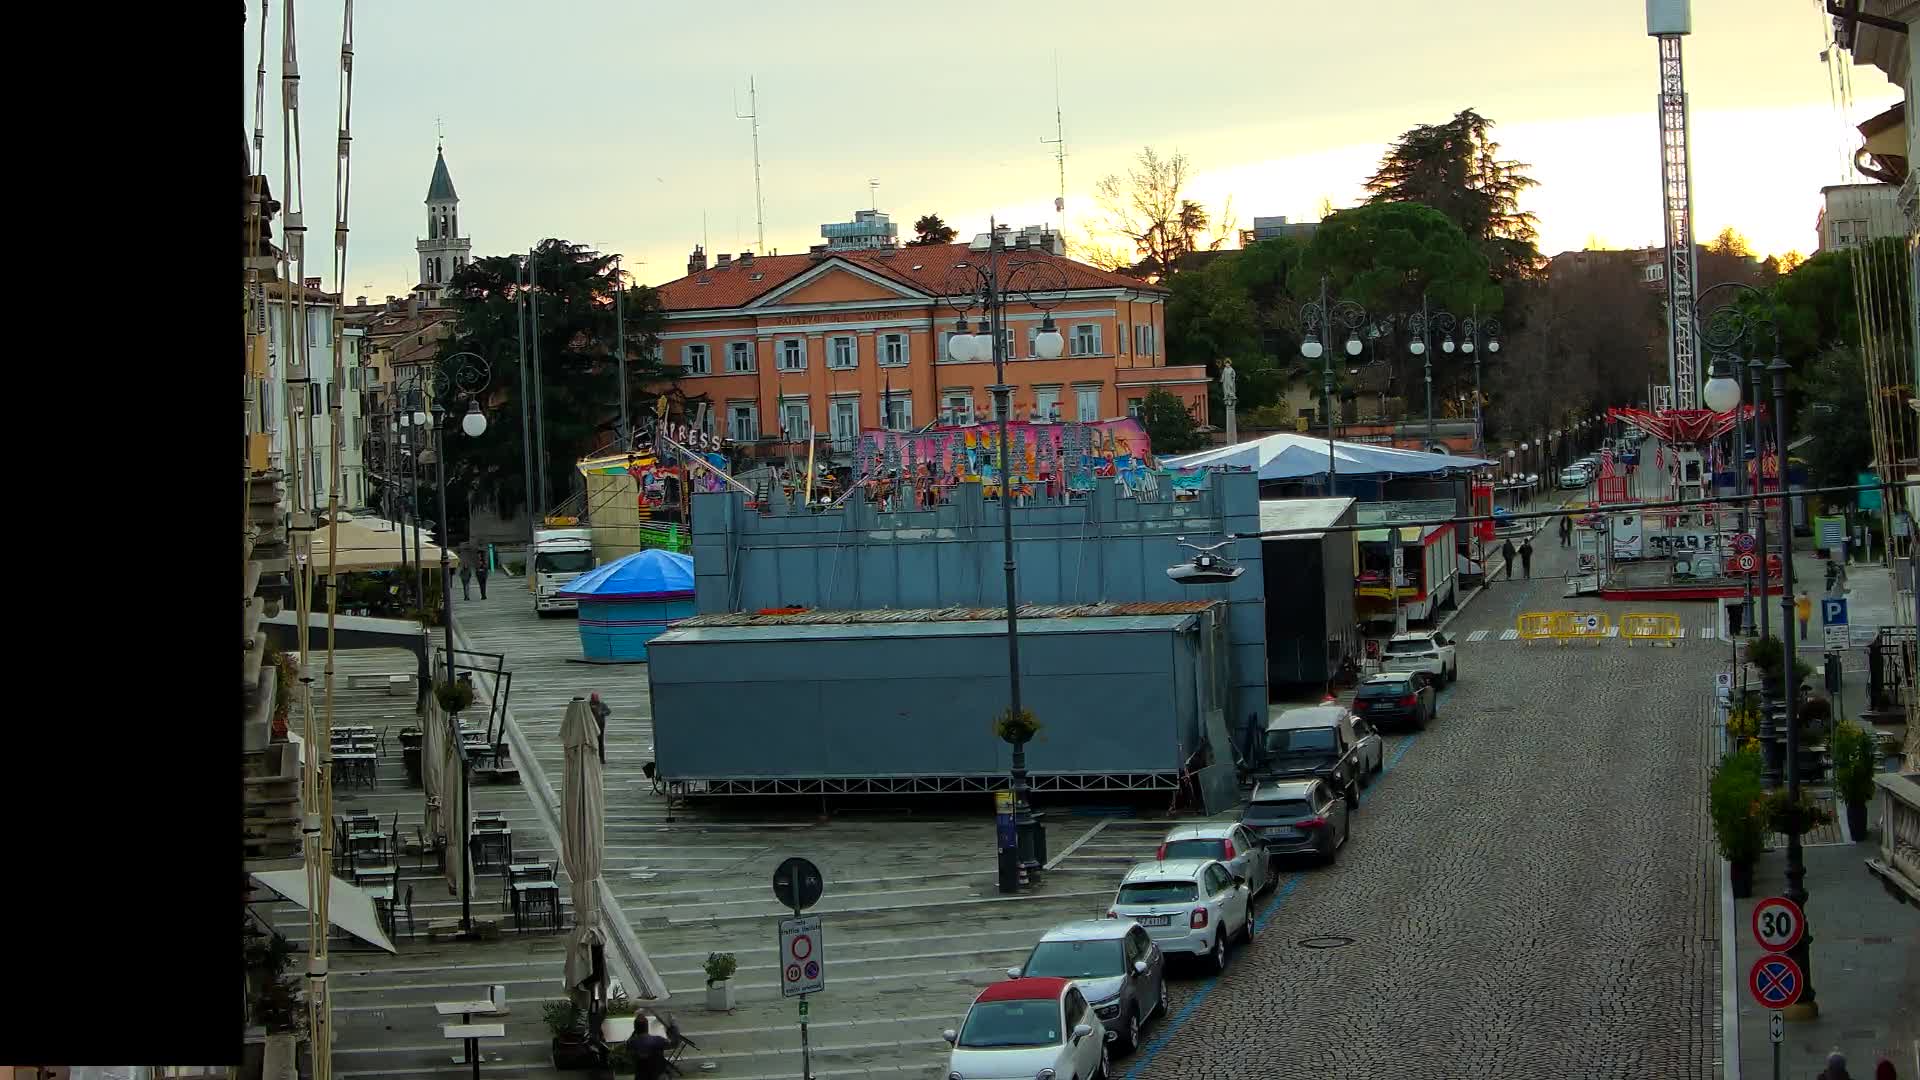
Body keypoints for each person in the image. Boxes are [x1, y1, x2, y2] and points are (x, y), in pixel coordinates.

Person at [625, 1015, 671, 1080]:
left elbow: (628, 1056)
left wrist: (635, 1032)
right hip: (657, 1076)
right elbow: (674, 1043)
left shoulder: (631, 1043)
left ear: (635, 1027)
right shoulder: (659, 1040)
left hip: (641, 1077)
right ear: (647, 1027)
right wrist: (673, 1026)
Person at [589, 692, 610, 764]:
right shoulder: (588, 706)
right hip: (591, 727)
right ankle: (593, 758)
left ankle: (601, 758)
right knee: (592, 743)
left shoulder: (602, 705)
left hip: (600, 727)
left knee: (600, 743)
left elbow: (608, 711)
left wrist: (602, 713)